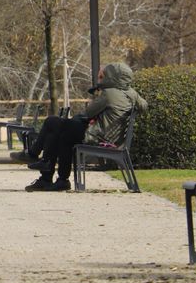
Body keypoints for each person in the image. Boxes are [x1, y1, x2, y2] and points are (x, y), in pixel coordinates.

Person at [24, 61, 146, 192]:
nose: (102, 78)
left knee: (52, 122)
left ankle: (36, 158)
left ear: (113, 77)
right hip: (108, 137)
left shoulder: (110, 93)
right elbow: (144, 105)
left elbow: (87, 113)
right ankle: (55, 178)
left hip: (98, 137)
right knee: (62, 135)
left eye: (104, 76)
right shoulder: (131, 93)